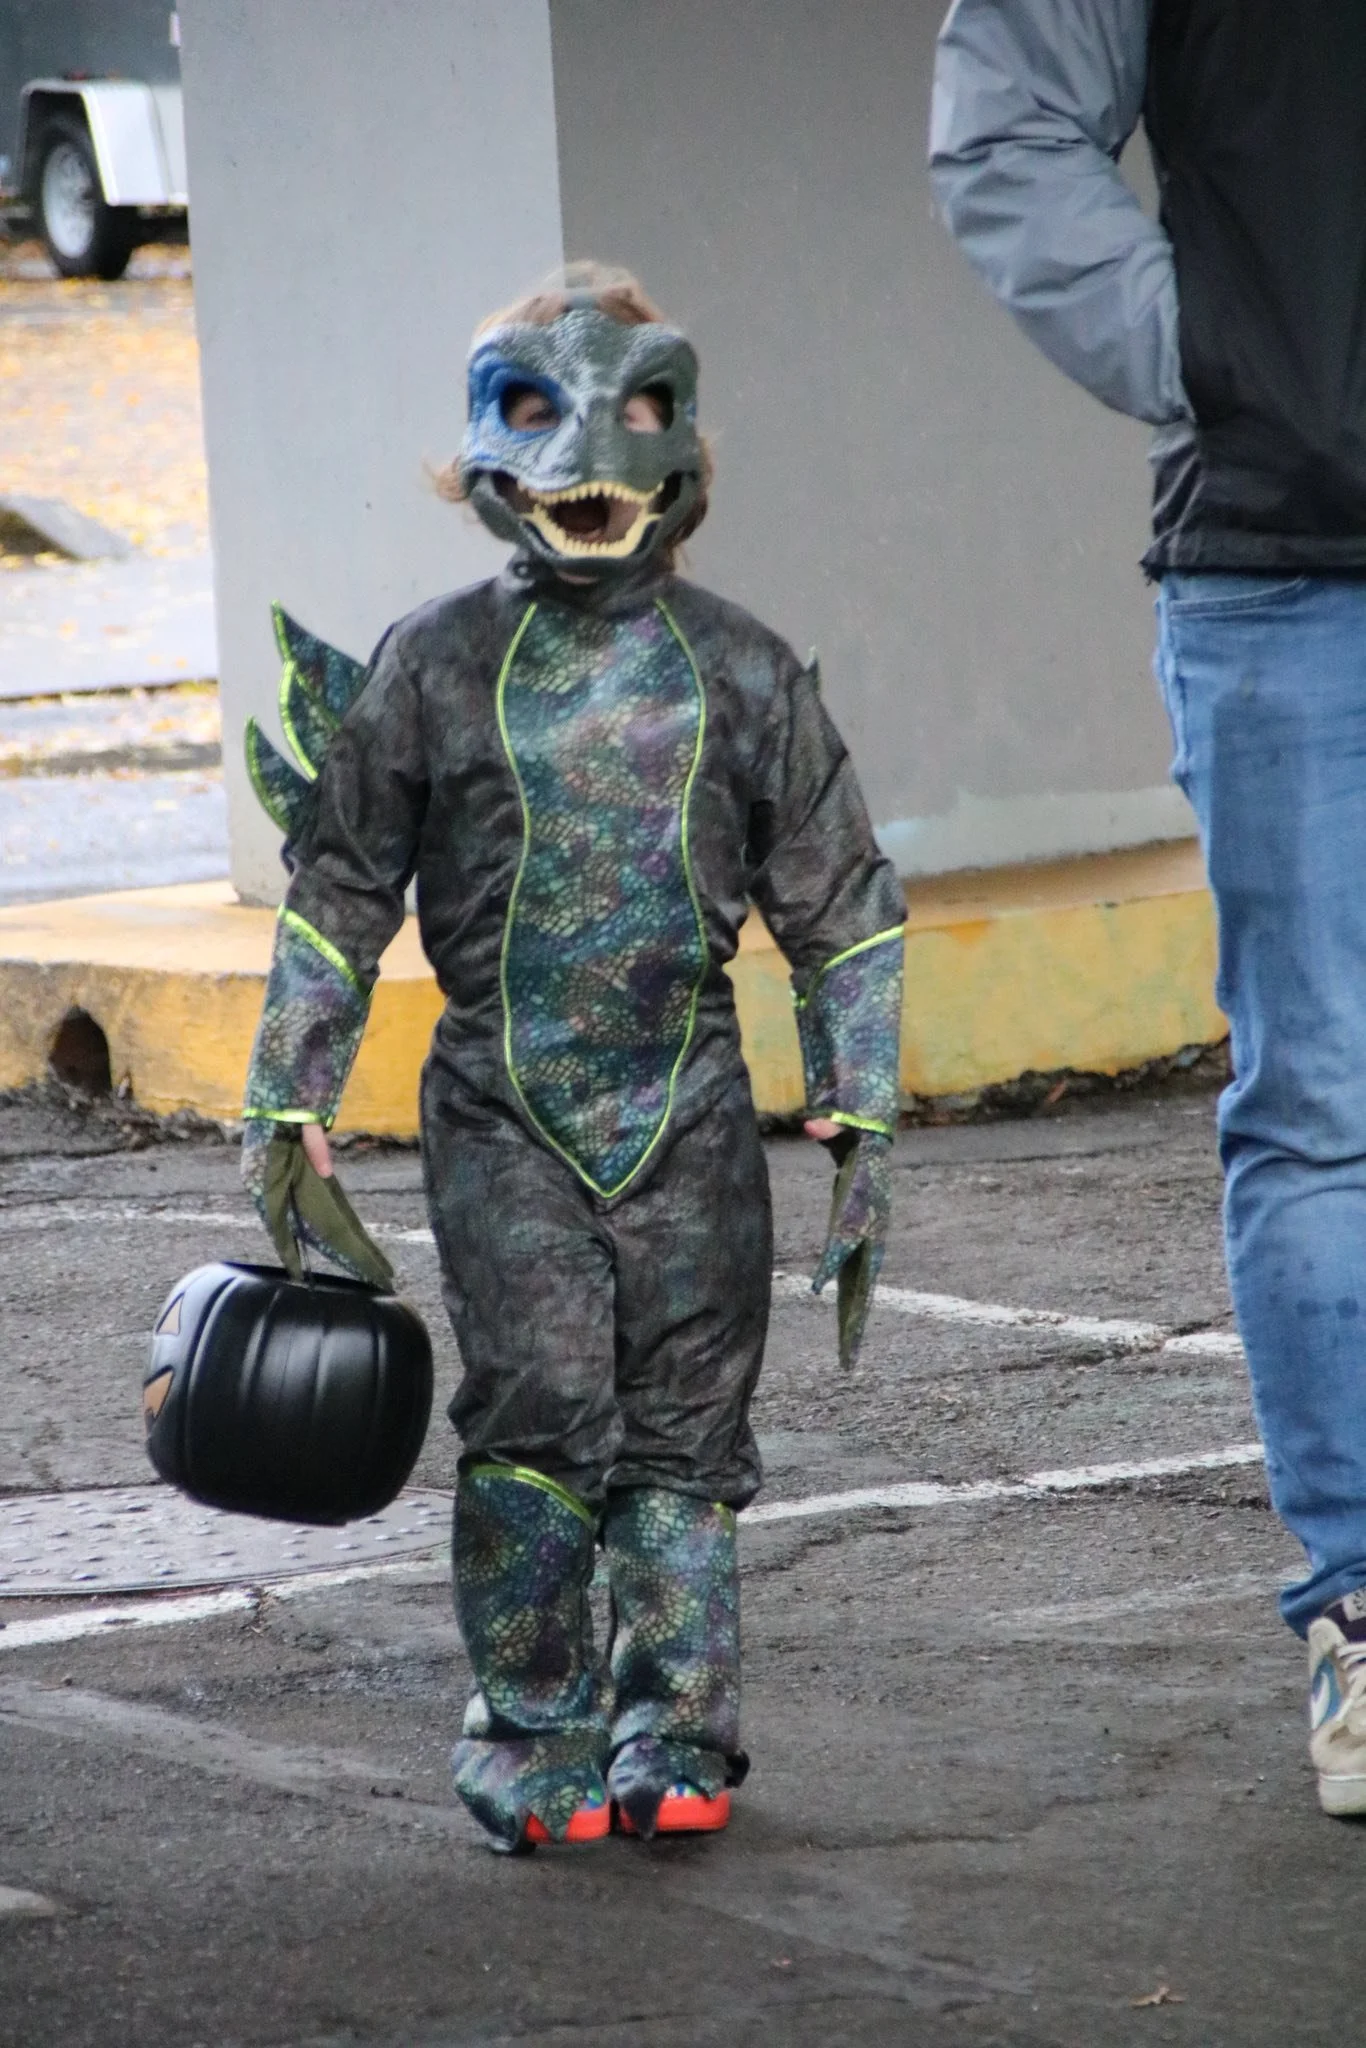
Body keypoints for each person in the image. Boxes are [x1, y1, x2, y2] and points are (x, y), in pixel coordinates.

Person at [237, 265, 906, 1850]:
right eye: (539, 416)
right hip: (503, 1118)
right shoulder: (431, 665)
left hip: (689, 1118)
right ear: (486, 449)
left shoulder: (743, 670)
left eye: (631, 417)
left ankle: (675, 1726)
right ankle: (529, 1721)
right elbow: (341, 886)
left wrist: (861, 1100)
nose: (587, 474)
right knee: (538, 1413)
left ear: (679, 447)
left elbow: (840, 898)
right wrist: (289, 1086)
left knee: (685, 1430)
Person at [930, 2, 1366, 1814]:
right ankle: (1362, 1608)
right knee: (1326, 1103)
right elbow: (1003, 125)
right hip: (1284, 561)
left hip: (1276, 553)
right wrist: (1218, 352)